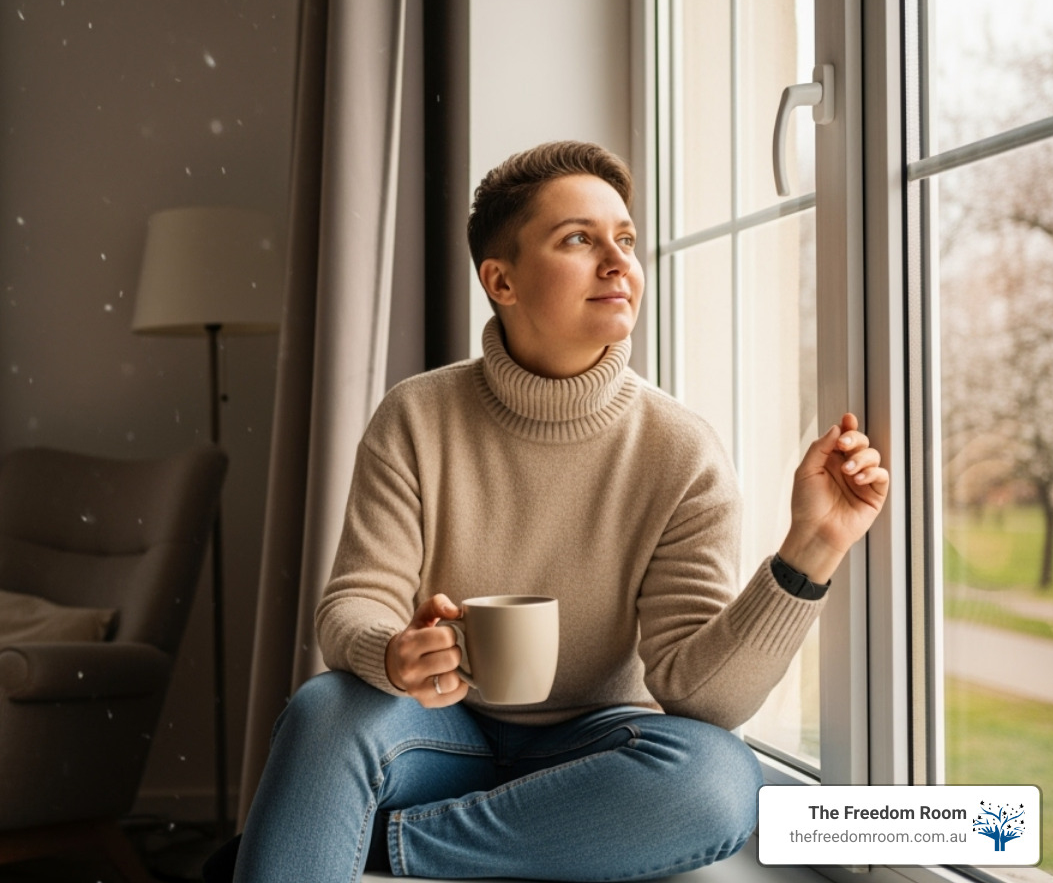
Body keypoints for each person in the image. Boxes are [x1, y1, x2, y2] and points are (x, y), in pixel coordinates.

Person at [214, 141, 888, 882]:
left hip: (596, 748)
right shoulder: (417, 415)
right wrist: (393, 652)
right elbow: (355, 601)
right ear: (499, 279)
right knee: (326, 708)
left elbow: (701, 696)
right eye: (579, 239)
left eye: (625, 240)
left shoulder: (680, 449)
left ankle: (377, 844)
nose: (618, 261)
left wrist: (812, 548)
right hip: (439, 729)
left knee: (719, 780)